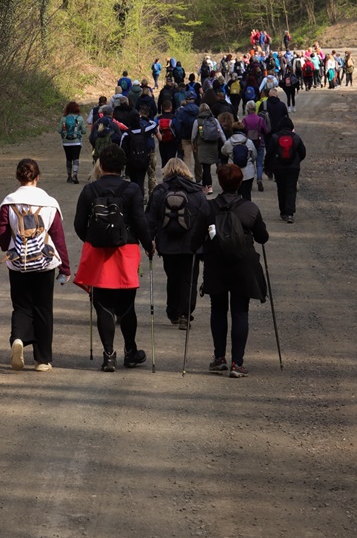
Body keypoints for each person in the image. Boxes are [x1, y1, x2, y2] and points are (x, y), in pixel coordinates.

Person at [73, 143, 152, 372]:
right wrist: (149, 245)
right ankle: (130, 351)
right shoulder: (132, 189)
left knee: (103, 305)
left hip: (98, 252)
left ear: (101, 164)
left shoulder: (89, 190)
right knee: (127, 305)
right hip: (126, 251)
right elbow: (140, 222)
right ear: (123, 165)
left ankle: (108, 356)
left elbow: (79, 224)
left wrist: (92, 239)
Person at [192, 164, 268, 378]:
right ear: (240, 182)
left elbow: (194, 241)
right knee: (240, 311)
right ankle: (237, 363)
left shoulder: (208, 208)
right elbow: (262, 237)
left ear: (219, 182)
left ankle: (219, 358)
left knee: (218, 310)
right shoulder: (250, 208)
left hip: (216, 264)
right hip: (243, 264)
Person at [0, 158, 70, 372]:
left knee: (21, 306)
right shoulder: (49, 203)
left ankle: (18, 338)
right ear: (38, 177)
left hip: (18, 262)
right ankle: (42, 360)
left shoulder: (8, 203)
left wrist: (8, 246)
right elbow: (58, 237)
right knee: (43, 309)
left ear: (18, 177)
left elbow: (0, 232)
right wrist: (65, 267)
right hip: (45, 263)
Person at [146, 158, 207, 329]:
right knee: (189, 279)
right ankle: (184, 314)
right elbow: (205, 217)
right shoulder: (196, 192)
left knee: (172, 278)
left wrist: (149, 240)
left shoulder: (160, 191)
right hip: (191, 246)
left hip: (167, 244)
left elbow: (150, 218)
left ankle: (172, 311)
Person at [264, 116, 307, 223]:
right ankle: (290, 213)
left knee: (281, 188)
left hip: (278, 167)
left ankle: (283, 212)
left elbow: (269, 153)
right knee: (291, 189)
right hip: (293, 168)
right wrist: (296, 161)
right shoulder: (296, 137)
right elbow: (303, 152)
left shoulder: (275, 137)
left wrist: (267, 166)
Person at [220, 124, 258, 201]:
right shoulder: (249, 142)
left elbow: (223, 151)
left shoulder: (228, 142)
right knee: (246, 194)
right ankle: (247, 207)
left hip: (232, 173)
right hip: (248, 172)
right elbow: (254, 155)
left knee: (232, 195)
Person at [191, 102, 223, 189]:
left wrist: (193, 145)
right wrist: (225, 143)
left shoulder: (197, 121)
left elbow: (193, 136)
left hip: (202, 147)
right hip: (213, 146)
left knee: (206, 167)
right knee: (208, 167)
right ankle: (206, 185)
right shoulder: (214, 120)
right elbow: (221, 133)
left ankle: (208, 186)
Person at [241, 99, 269, 190]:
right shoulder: (260, 119)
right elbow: (266, 131)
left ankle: (250, 181)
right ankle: (259, 178)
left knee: (250, 163)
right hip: (259, 142)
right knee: (259, 163)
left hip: (248, 144)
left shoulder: (245, 120)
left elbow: (243, 131)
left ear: (247, 109)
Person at [60, 100, 87, 183]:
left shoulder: (64, 118)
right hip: (77, 141)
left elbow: (59, 130)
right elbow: (84, 131)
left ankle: (69, 176)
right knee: (76, 158)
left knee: (68, 158)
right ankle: (75, 175)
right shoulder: (80, 118)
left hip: (66, 141)